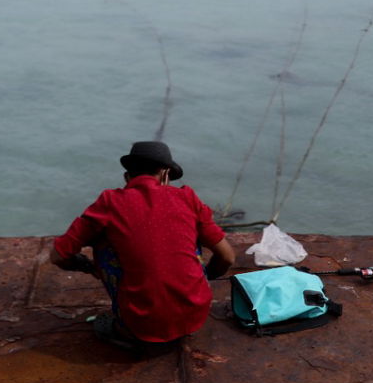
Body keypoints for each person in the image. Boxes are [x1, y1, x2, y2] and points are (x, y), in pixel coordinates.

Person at [50, 140, 235, 351]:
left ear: (127, 177)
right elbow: (228, 257)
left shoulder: (109, 202)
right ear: (165, 175)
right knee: (188, 235)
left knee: (103, 240)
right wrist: (203, 278)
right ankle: (184, 299)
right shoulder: (187, 197)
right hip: (194, 315)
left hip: (140, 325)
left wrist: (87, 266)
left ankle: (124, 327)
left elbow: (58, 256)